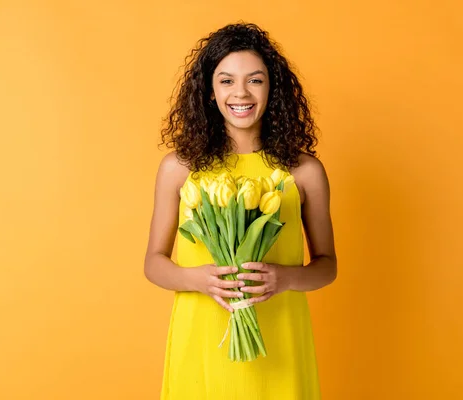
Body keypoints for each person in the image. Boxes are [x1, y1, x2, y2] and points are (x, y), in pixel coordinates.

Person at [144, 22, 337, 399]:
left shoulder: (304, 171)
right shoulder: (179, 168)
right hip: (202, 334)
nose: (241, 93)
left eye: (256, 80)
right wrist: (200, 280)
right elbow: (153, 262)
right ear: (210, 92)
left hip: (279, 335)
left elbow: (328, 265)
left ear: (273, 89)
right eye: (227, 81)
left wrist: (283, 278)